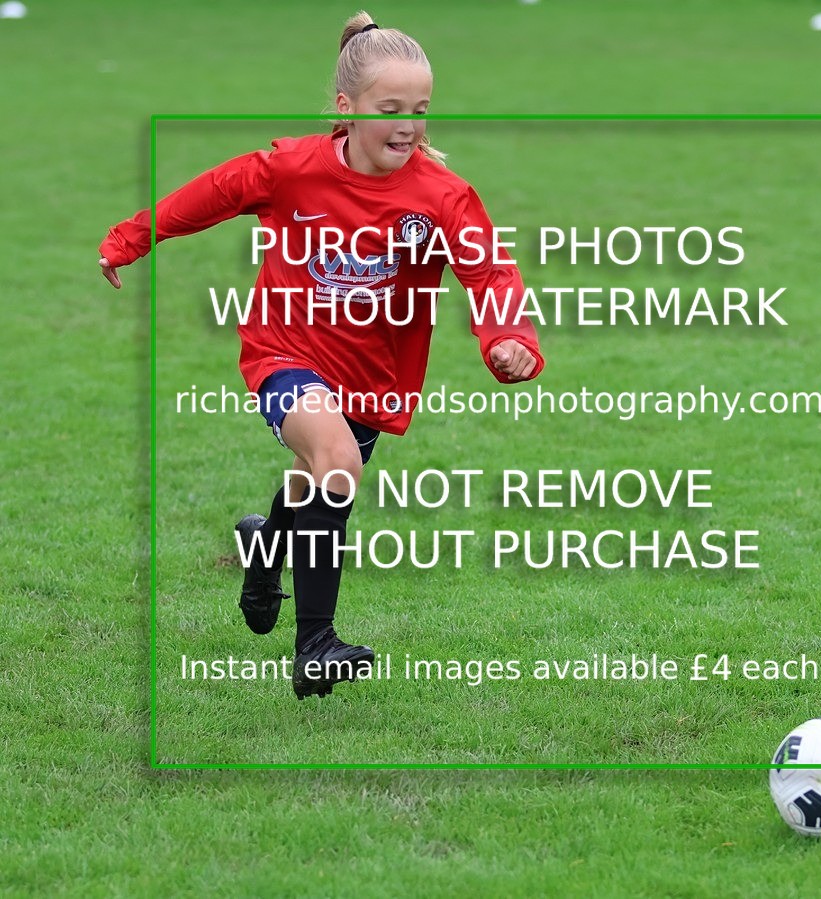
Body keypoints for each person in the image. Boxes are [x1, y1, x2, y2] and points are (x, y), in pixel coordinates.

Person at [98, 11, 545, 700]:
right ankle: (316, 642)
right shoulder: (293, 170)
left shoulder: (440, 195)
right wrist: (131, 238)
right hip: (285, 353)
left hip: (372, 373)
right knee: (336, 461)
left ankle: (265, 545)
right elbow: (209, 195)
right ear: (347, 108)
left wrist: (509, 340)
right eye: (390, 109)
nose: (408, 125)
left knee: (317, 479)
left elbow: (490, 272)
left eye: (420, 110)